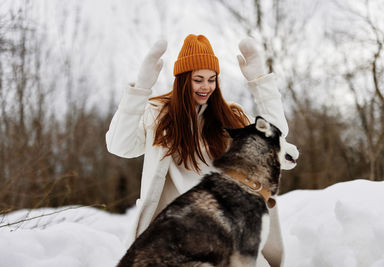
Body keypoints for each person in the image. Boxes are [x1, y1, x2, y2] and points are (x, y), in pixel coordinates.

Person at [106, 34, 293, 267]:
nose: (206, 87)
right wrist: (140, 89)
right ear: (184, 80)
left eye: (212, 79)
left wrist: (260, 82)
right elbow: (119, 146)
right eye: (198, 80)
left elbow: (274, 139)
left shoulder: (232, 118)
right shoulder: (159, 117)